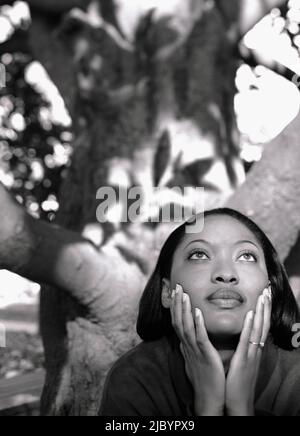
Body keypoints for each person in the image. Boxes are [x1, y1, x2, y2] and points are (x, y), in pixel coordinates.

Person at [100, 208, 300, 416]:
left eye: (246, 256)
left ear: (270, 290)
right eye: (199, 255)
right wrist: (208, 406)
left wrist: (240, 408)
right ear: (167, 292)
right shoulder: (135, 378)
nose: (226, 274)